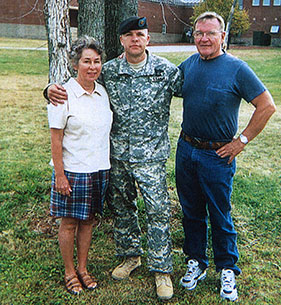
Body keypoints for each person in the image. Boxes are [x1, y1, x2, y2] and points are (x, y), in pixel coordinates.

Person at [45, 17, 183, 300]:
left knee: (157, 211)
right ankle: (130, 256)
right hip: (116, 158)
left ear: (148, 39)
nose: (135, 39)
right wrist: (48, 89)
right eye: (129, 35)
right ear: (121, 40)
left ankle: (161, 270)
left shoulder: (166, 71)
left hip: (151, 157)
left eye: (140, 34)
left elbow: (195, 91)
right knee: (122, 208)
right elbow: (76, 83)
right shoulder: (108, 71)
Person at [176, 12, 276, 301]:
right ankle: (196, 260)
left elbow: (266, 106)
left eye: (210, 33)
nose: (204, 38)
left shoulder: (237, 69)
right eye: (199, 33)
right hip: (186, 150)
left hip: (217, 156)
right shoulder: (188, 66)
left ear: (223, 37)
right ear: (193, 36)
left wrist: (241, 141)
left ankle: (227, 267)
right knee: (191, 210)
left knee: (220, 213)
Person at [47, 36, 113, 295]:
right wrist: (60, 175)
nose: (92, 67)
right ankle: (69, 271)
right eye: (86, 61)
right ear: (75, 64)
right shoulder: (63, 95)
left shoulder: (102, 92)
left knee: (89, 221)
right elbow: (56, 138)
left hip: (98, 169)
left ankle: (83, 268)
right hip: (73, 171)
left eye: (96, 61)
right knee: (70, 223)